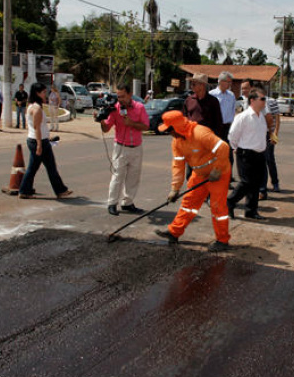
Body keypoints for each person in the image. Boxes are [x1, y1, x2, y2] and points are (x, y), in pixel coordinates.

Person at [154, 111, 232, 252]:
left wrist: (217, 170)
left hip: (218, 174)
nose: (169, 133)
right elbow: (178, 165)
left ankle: (222, 240)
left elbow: (223, 148)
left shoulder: (200, 133)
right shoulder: (177, 142)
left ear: (177, 127)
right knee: (188, 203)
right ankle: (174, 232)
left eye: (169, 130)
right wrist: (175, 189)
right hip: (200, 174)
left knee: (217, 207)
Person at [97, 83, 149, 216]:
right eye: (118, 96)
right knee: (117, 176)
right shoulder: (114, 109)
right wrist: (101, 120)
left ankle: (128, 203)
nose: (120, 99)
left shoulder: (139, 107)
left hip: (136, 147)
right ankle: (112, 203)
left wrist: (131, 123)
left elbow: (146, 126)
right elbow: (106, 128)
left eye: (123, 96)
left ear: (130, 95)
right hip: (121, 147)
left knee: (133, 177)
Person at [18, 82, 73, 199]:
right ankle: (60, 190)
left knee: (33, 168)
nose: (45, 94)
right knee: (50, 167)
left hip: (38, 140)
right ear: (37, 93)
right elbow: (37, 128)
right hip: (39, 141)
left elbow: (35, 127)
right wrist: (39, 145)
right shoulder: (37, 109)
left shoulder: (31, 106)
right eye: (43, 92)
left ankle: (25, 190)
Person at [227, 87, 268, 220]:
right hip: (246, 153)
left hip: (259, 154)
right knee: (246, 182)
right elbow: (232, 135)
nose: (264, 101)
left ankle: (251, 210)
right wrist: (235, 148)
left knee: (256, 183)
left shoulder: (261, 116)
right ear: (252, 100)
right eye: (262, 99)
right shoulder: (243, 117)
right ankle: (230, 202)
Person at [209, 71, 236, 182]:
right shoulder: (212, 94)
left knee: (229, 156)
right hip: (215, 128)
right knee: (214, 154)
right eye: (228, 82)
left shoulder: (231, 95)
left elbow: (233, 111)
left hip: (227, 128)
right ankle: (212, 178)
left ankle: (227, 178)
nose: (229, 84)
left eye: (230, 82)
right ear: (221, 81)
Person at [183, 73, 224, 138]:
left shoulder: (213, 101)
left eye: (194, 84)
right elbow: (184, 120)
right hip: (191, 138)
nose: (191, 86)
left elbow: (218, 122)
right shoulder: (188, 100)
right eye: (191, 84)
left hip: (207, 139)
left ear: (202, 85)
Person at [259, 92, 281, 199]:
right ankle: (262, 187)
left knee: (269, 159)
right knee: (261, 161)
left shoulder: (271, 101)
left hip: (270, 134)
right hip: (259, 134)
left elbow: (277, 119)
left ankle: (275, 183)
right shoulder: (254, 101)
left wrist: (275, 135)